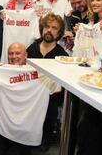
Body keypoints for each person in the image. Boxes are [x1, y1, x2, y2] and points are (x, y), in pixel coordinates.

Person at [26, 13, 68, 152]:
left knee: (51, 107)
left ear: (59, 33)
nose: (49, 30)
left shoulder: (62, 55)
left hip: (51, 97)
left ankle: (46, 138)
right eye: (47, 26)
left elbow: (63, 84)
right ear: (42, 28)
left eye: (54, 28)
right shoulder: (31, 48)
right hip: (30, 94)